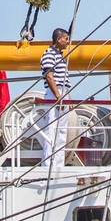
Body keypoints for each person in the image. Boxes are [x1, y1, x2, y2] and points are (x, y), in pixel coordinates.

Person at [37, 27, 72, 166]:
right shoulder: (49, 54)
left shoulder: (59, 56)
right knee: (51, 129)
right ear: (58, 39)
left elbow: (64, 80)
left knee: (61, 130)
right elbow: (49, 76)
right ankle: (48, 164)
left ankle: (58, 163)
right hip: (54, 93)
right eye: (66, 39)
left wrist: (68, 97)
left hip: (61, 92)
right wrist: (58, 96)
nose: (67, 42)